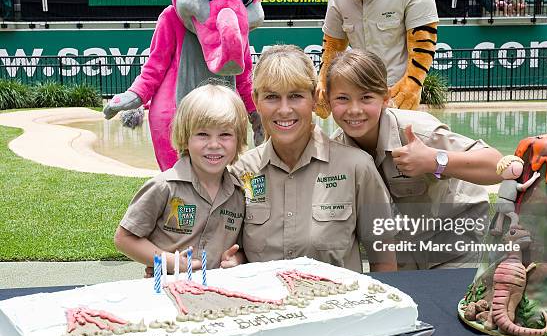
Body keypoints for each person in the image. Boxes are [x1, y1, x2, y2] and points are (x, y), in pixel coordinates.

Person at [325, 50, 502, 269]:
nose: (354, 109)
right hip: (402, 248)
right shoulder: (335, 152)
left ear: (386, 98)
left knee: (446, 300)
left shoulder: (417, 131)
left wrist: (434, 160)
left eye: (366, 97)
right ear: (327, 101)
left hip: (452, 237)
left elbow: (496, 164)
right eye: (343, 98)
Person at [231, 45, 397, 273]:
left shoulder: (356, 167)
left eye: (296, 96)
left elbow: (384, 259)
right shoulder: (241, 172)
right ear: (255, 101)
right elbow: (230, 248)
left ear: (315, 98)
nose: (284, 109)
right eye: (271, 97)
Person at [114, 84, 248, 276]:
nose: (214, 145)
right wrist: (170, 262)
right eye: (202, 134)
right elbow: (124, 239)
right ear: (185, 138)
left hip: (217, 291)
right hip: (166, 292)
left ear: (239, 139)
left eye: (225, 134)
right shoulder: (164, 187)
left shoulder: (239, 193)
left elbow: (244, 247)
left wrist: (237, 259)